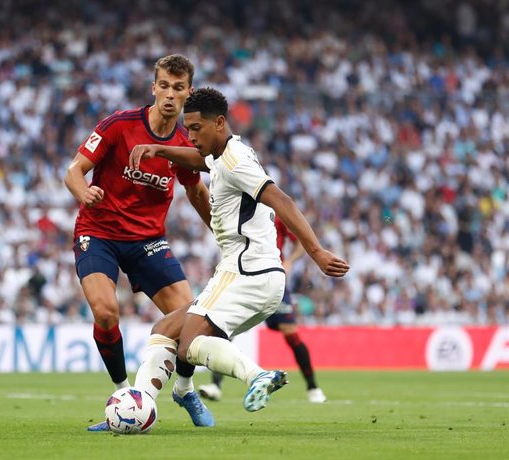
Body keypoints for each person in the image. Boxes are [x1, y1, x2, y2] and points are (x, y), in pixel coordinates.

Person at [128, 88, 349, 417]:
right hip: (256, 275)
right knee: (165, 330)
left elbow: (282, 200)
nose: (190, 136)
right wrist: (159, 149)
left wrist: (315, 252)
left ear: (219, 123)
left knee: (189, 345)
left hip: (245, 272)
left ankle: (257, 375)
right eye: (187, 129)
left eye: (196, 129)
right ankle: (140, 410)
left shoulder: (235, 160)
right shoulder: (219, 156)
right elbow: (197, 159)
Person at [63, 54, 215, 431]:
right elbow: (73, 172)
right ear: (153, 87)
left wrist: (222, 232)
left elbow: (196, 192)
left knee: (192, 318)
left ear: (188, 93)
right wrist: (84, 193)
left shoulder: (184, 144)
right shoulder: (118, 125)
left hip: (147, 240)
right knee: (105, 312)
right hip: (98, 232)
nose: (169, 94)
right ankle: (123, 396)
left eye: (178, 88)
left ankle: (184, 388)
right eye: (163, 85)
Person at [198, 217, 327, 403]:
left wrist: (289, 261)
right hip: (244, 280)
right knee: (226, 329)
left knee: (290, 333)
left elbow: (300, 240)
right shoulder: (239, 209)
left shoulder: (276, 211)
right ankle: (215, 386)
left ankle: (313, 387)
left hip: (272, 279)